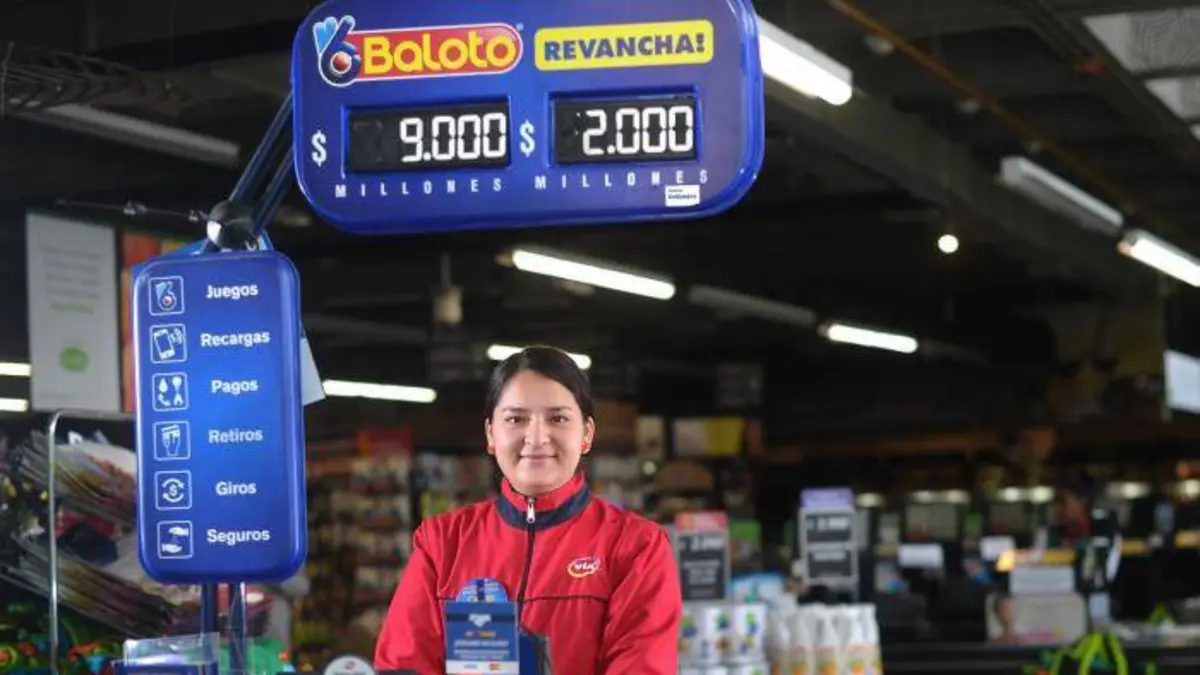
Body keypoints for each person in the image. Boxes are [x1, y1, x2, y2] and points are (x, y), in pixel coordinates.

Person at [374, 346, 682, 674]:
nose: (536, 437)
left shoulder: (635, 546)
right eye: (516, 419)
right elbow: (403, 665)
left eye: (558, 418)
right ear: (491, 434)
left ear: (587, 434)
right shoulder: (442, 543)